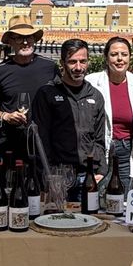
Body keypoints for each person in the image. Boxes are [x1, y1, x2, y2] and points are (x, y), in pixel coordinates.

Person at [32, 39, 108, 181]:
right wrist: (47, 174)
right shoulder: (47, 94)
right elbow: (40, 139)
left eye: (83, 61)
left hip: (89, 174)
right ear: (62, 63)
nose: (78, 67)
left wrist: (101, 169)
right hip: (58, 175)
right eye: (72, 62)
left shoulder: (95, 95)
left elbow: (99, 138)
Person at [85, 36, 133, 193]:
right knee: (97, 193)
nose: (120, 59)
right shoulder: (92, 82)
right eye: (114, 54)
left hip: (127, 150)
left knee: (123, 194)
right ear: (106, 57)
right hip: (100, 149)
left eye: (124, 54)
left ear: (130, 57)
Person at [0, 17, 58, 162]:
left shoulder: (50, 67)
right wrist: (5, 116)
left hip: (44, 144)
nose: (25, 42)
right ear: (11, 41)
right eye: (19, 38)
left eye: (29, 37)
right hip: (9, 144)